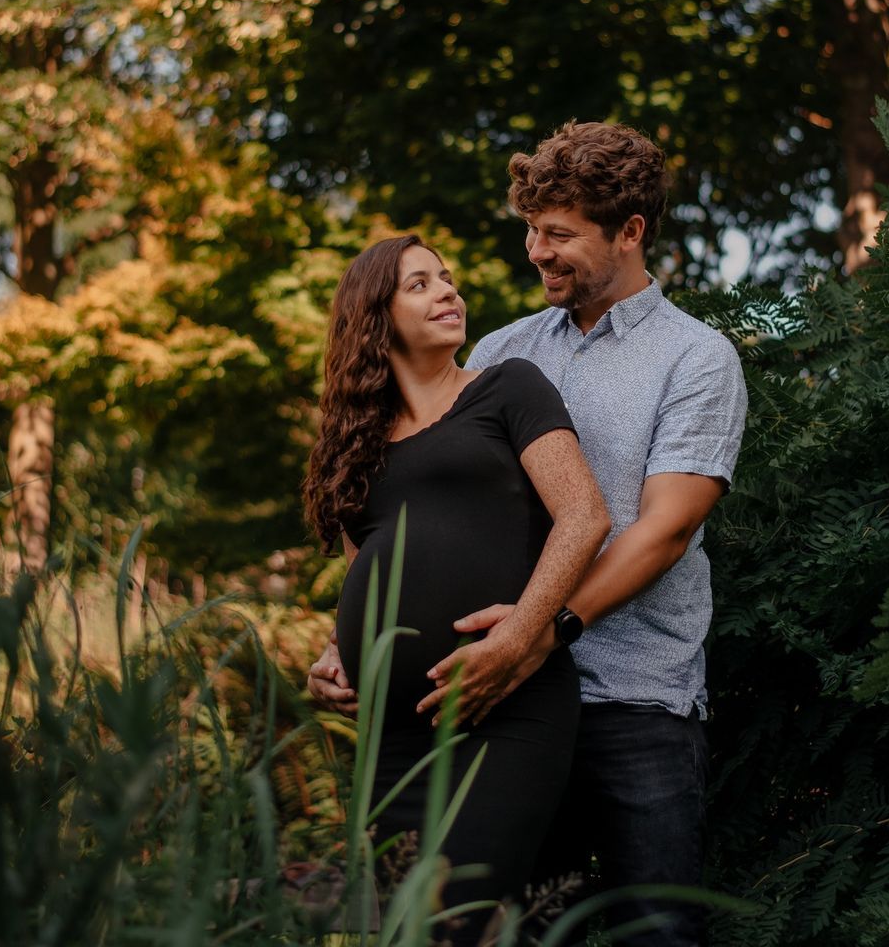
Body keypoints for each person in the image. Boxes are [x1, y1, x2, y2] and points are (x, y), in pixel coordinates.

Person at [311, 123, 748, 947]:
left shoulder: (695, 357)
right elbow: (431, 516)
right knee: (518, 929)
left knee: (651, 932)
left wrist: (539, 631)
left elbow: (663, 531)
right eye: (530, 230)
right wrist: (357, 641)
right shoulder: (503, 349)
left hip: (632, 696)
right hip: (485, 698)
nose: (535, 252)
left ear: (629, 233)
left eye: (558, 235)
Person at [303, 233, 613, 945]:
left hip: (505, 707)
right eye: (420, 284)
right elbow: (367, 569)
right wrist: (334, 651)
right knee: (404, 926)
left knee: (455, 918)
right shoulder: (354, 442)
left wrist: (518, 637)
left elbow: (584, 517)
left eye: (447, 278)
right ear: (373, 316)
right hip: (392, 733)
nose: (449, 291)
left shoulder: (509, 386)